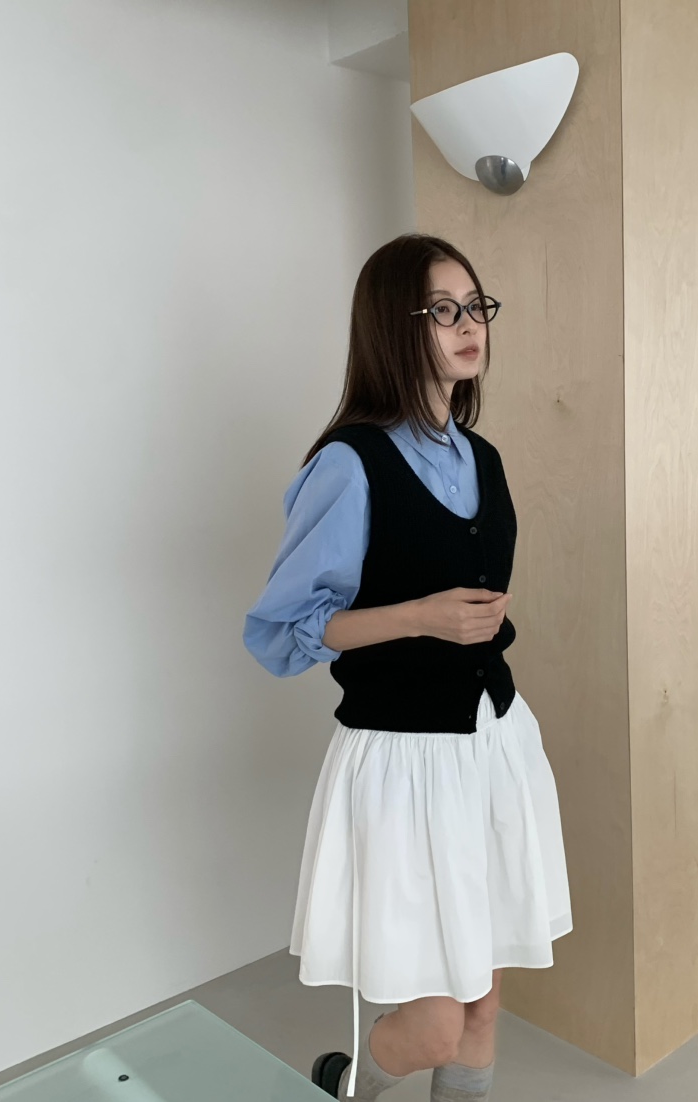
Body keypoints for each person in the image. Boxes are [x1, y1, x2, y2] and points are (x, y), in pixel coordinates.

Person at [243, 233, 572, 1101]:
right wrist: (419, 618)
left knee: (483, 1007)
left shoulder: (482, 457)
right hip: (404, 765)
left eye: (476, 306)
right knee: (433, 1025)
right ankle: (348, 1084)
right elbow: (280, 635)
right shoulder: (349, 465)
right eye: (443, 310)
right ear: (397, 325)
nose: (470, 326)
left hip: (493, 747)